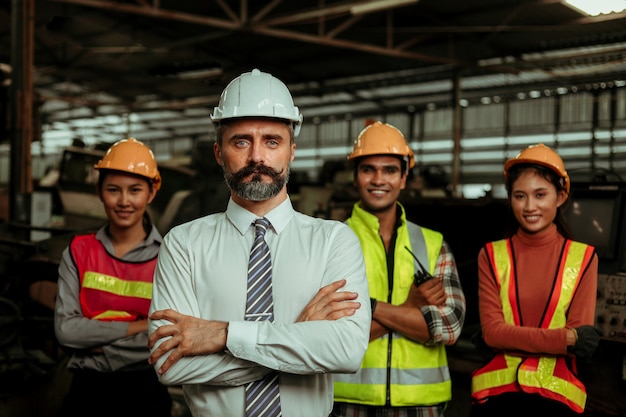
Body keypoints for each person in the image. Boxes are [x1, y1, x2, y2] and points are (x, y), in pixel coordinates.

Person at [147, 68, 371, 417]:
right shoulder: (183, 245)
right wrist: (298, 339)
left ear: (291, 151)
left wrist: (224, 335)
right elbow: (171, 366)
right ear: (219, 153)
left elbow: (346, 353)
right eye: (241, 141)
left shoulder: (334, 241)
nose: (256, 157)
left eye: (272, 141)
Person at [332, 120, 466, 417]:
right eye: (369, 169)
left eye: (390, 170)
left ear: (404, 178)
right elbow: (328, 336)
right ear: (355, 176)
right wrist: (411, 307)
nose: (379, 179)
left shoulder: (432, 243)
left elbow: (450, 325)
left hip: (422, 404)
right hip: (349, 402)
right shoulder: (330, 242)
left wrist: (372, 307)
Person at [470, 143, 601, 416]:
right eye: (520, 196)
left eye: (540, 195)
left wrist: (506, 337)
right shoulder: (492, 255)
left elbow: (580, 340)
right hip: (496, 402)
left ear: (561, 196)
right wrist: (564, 339)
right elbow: (492, 333)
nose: (530, 206)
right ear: (510, 199)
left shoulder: (583, 258)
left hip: (556, 404)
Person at [54, 138, 172, 417]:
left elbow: (167, 338)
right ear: (99, 191)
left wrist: (95, 345)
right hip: (87, 393)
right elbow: (66, 331)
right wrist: (138, 327)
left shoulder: (170, 256)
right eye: (113, 190)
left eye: (135, 190)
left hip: (147, 392)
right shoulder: (78, 251)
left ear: (151, 192)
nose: (124, 201)